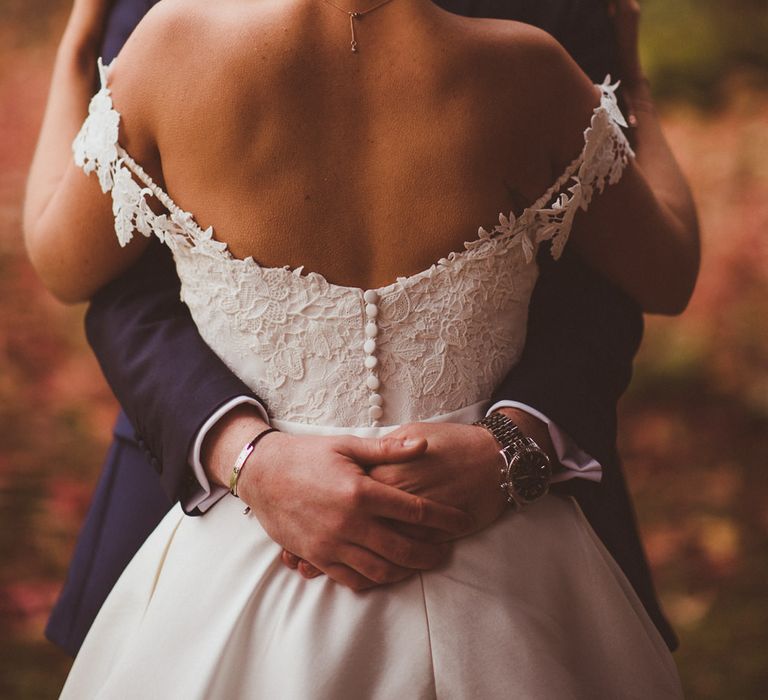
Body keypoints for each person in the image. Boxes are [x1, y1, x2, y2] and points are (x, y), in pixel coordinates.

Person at [25, 0, 698, 695]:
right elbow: (669, 273)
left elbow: (61, 263)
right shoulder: (534, 70)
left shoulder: (167, 45)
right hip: (502, 566)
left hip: (238, 564)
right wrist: (635, 92)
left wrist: (78, 51)